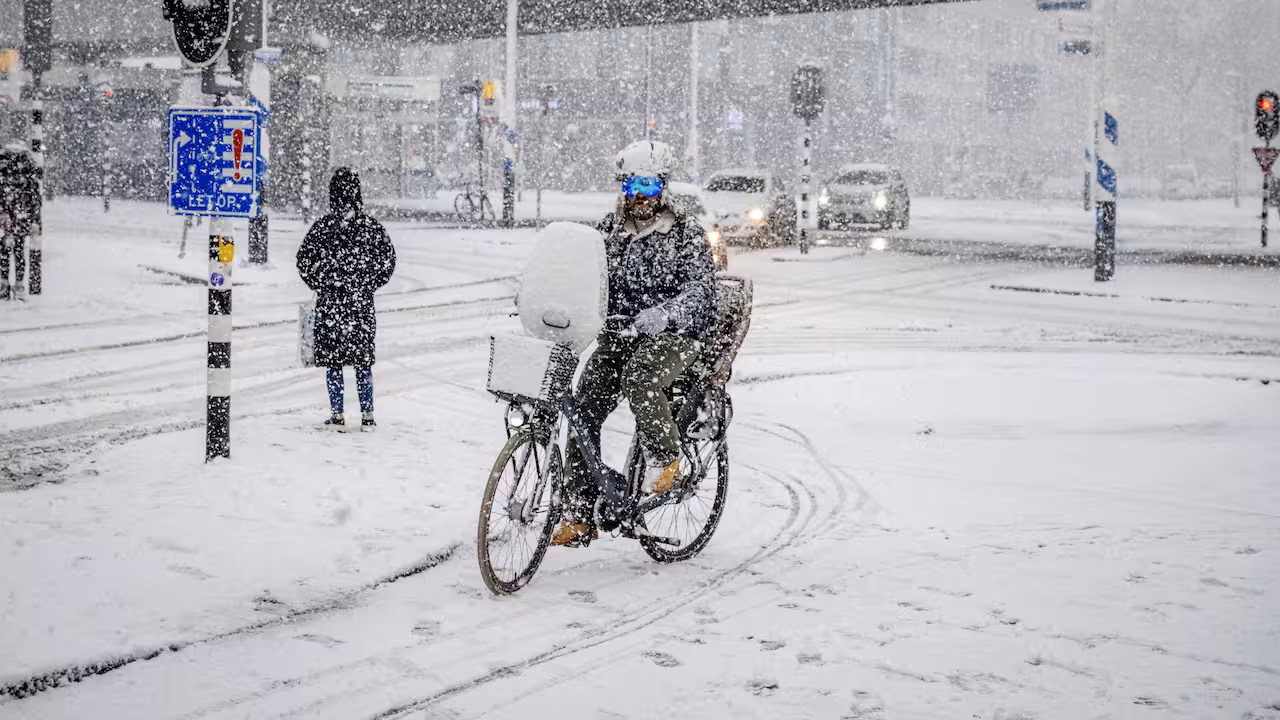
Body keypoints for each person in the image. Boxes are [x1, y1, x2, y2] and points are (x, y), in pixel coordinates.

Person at [552, 140, 719, 547]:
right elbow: (581, 274)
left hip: (676, 338)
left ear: (662, 187)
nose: (639, 197)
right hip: (620, 336)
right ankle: (579, 514)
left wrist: (665, 315)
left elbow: (702, 292)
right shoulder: (607, 232)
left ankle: (666, 459)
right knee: (583, 409)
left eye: (647, 186)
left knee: (641, 376)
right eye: (631, 186)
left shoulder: (685, 234)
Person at [296, 168, 397, 432]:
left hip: (331, 306)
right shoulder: (371, 229)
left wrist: (322, 282)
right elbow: (388, 262)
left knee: (334, 363)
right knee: (363, 363)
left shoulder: (323, 228)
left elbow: (303, 260)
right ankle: (368, 416)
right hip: (361, 307)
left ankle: (338, 415)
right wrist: (367, 284)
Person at [0, 142, 40, 300]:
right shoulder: (28, 174)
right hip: (19, 217)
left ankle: (4, 284)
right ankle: (18, 285)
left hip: (6, 217)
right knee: (18, 251)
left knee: (5, 250)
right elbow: (34, 198)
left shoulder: (3, 171)